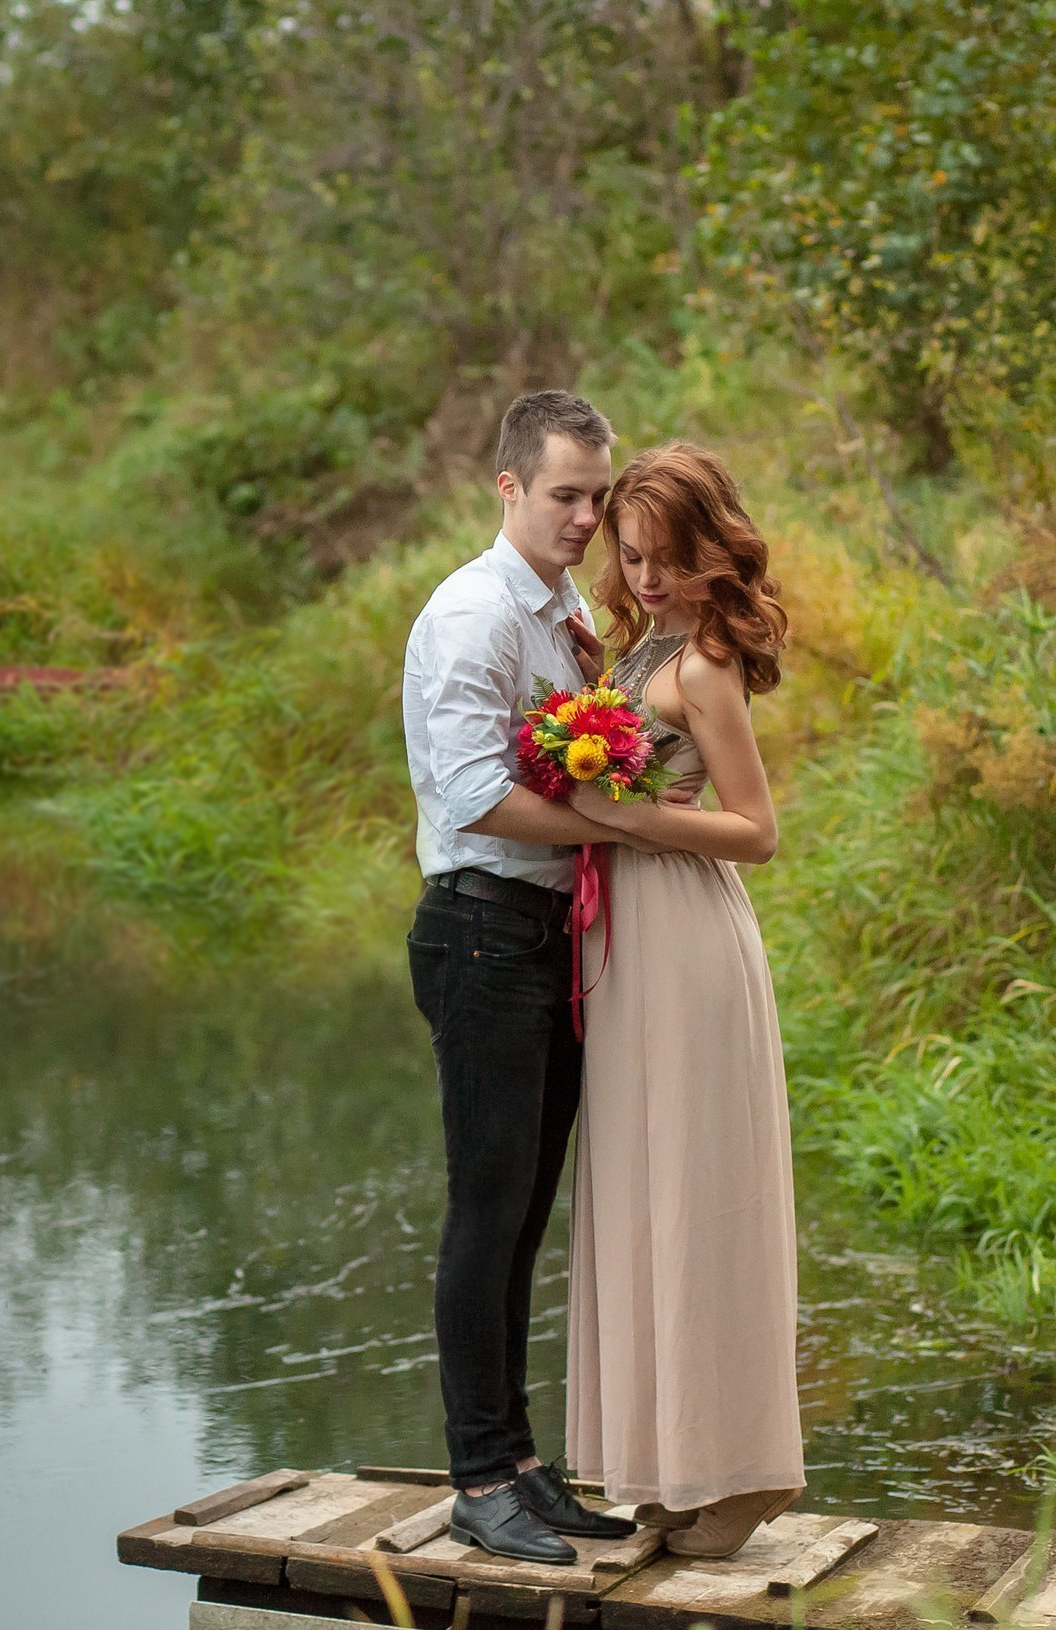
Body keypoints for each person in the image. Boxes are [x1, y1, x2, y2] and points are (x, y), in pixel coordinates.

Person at [401, 391, 657, 1565]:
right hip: (478, 931)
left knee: (524, 1212)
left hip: (545, 933)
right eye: (564, 494)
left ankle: (517, 1464)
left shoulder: (562, 610)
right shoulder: (472, 614)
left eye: (595, 495)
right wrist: (627, 819)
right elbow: (471, 796)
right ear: (508, 487)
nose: (585, 515)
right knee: (486, 1208)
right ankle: (475, 1480)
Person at [561, 442, 806, 1559]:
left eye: (666, 557)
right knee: (642, 1194)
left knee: (702, 1194)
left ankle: (747, 1472)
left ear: (712, 551)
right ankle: (671, 1462)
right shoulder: (637, 644)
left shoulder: (703, 664)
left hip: (691, 945)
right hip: (629, 952)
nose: (647, 576)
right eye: (632, 553)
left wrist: (625, 816)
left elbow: (755, 831)